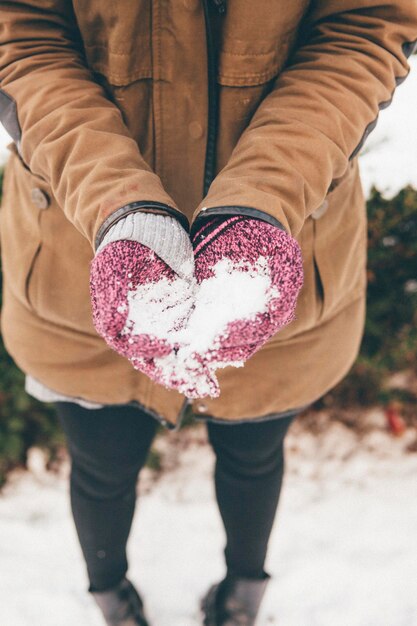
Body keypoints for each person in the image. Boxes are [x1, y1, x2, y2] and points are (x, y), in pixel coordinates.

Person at [0, 1, 416, 624]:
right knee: (100, 463)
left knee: (253, 456)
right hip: (75, 250)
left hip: (281, 256)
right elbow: (20, 34)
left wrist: (264, 200)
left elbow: (365, 27)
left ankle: (243, 596)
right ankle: (111, 597)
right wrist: (117, 202)